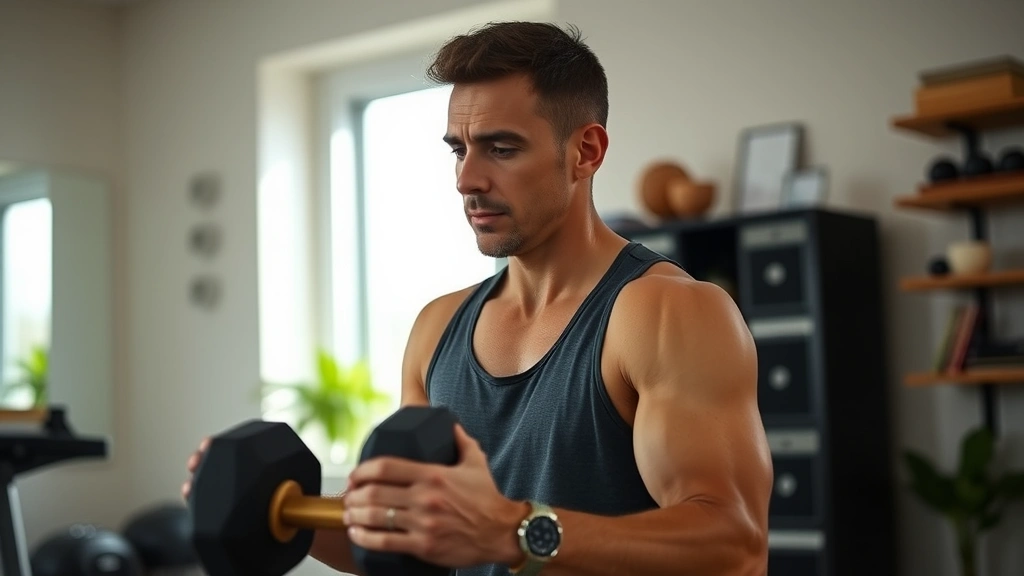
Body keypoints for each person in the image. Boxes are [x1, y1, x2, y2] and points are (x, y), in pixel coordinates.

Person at [184, 21, 773, 576]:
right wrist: (278, 508)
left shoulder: (666, 314)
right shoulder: (437, 328)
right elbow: (403, 539)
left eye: (502, 148)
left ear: (586, 152)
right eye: (458, 150)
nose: (467, 179)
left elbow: (734, 544)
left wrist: (514, 532)